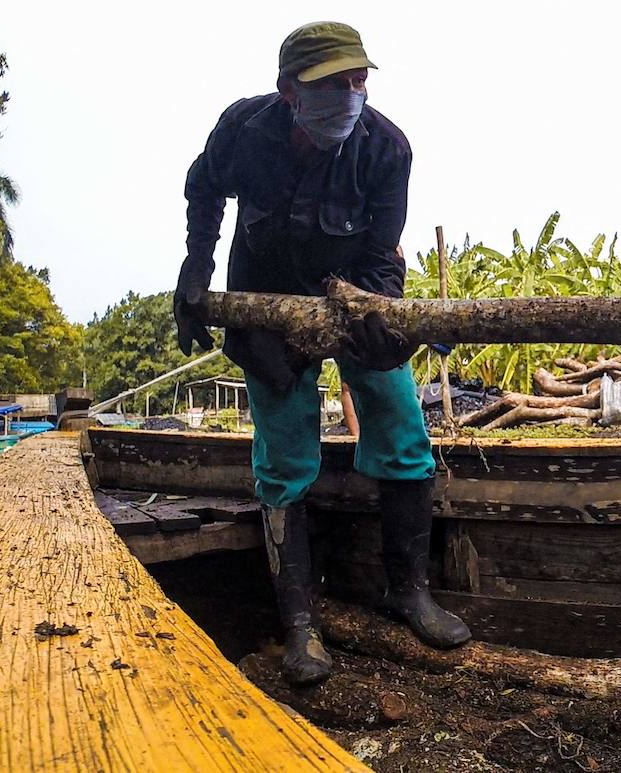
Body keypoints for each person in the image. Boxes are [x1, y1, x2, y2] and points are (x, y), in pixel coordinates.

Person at [173, 21, 471, 686]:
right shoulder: (244, 131)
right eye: (334, 83)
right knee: (284, 457)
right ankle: (300, 624)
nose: (351, 93)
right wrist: (196, 264)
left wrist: (373, 312)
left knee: (401, 428)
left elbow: (384, 248)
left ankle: (409, 590)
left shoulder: (387, 149)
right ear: (289, 90)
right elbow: (204, 185)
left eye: (359, 79)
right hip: (265, 301)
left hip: (353, 297)